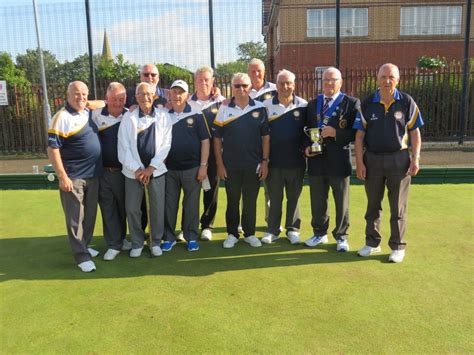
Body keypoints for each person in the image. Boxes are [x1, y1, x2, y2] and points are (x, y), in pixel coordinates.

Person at [354, 63, 423, 263]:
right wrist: (359, 162)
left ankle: (398, 246)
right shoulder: (367, 103)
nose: (387, 81)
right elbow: (359, 136)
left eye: (391, 77)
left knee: (397, 207)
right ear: (377, 78)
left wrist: (416, 158)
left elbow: (414, 132)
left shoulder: (407, 102)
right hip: (372, 159)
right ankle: (372, 243)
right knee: (373, 205)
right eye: (383, 77)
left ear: (398, 79)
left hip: (399, 160)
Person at [303, 67, 360, 252]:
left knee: (341, 201)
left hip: (339, 160)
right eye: (326, 79)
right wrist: (306, 147)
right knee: (318, 200)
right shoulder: (312, 104)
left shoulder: (351, 103)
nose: (329, 83)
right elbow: (304, 130)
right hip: (316, 160)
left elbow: (356, 133)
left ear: (340, 82)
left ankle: (341, 236)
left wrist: (337, 133)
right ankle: (319, 233)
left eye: (333, 80)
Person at [47, 81, 102, 272]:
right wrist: (62, 177)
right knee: (75, 218)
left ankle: (85, 245)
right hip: (74, 177)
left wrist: (90, 102)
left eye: (84, 94)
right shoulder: (61, 117)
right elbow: (53, 149)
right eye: (76, 94)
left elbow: (105, 102)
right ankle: (81, 257)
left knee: (89, 215)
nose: (81, 97)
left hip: (93, 175)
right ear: (67, 95)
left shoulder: (88, 112)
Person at [213, 73, 270, 249]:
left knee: (250, 201)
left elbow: (265, 137)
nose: (241, 89)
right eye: (237, 86)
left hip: (254, 165)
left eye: (244, 85)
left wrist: (265, 161)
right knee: (232, 200)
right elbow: (216, 139)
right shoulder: (224, 109)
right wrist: (220, 165)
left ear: (250, 87)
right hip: (230, 165)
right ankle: (232, 234)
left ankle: (250, 233)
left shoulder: (260, 108)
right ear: (232, 88)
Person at [118, 82, 172, 258]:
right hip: (132, 173)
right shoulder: (128, 118)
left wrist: (150, 168)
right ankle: (137, 242)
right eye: (142, 94)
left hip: (156, 172)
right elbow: (123, 147)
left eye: (149, 93)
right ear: (136, 97)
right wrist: (137, 169)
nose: (146, 97)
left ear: (154, 96)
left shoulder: (164, 117)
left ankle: (155, 242)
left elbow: (165, 146)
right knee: (133, 208)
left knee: (157, 208)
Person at [161, 80, 211, 252]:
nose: (177, 95)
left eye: (181, 92)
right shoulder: (163, 114)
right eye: (174, 92)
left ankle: (191, 237)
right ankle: (168, 237)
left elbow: (205, 140)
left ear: (187, 96)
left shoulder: (196, 113)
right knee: (169, 204)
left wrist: (203, 165)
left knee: (191, 204)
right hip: (169, 169)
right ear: (169, 94)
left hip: (192, 168)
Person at [260, 69, 307, 245]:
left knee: (293, 197)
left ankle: (293, 229)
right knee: (274, 197)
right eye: (281, 83)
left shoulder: (303, 105)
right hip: (273, 162)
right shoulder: (265, 106)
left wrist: (307, 147)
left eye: (288, 83)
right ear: (276, 85)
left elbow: (308, 133)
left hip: (296, 161)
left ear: (294, 85)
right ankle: (273, 230)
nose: (285, 86)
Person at [91, 82, 132, 261]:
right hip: (103, 172)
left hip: (125, 172)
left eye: (121, 99)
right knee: (108, 207)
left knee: (124, 208)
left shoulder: (130, 116)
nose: (117, 103)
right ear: (106, 99)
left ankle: (121, 239)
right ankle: (113, 244)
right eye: (113, 99)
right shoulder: (95, 115)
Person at [188, 66, 225, 241]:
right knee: (190, 190)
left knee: (211, 190)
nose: (203, 83)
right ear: (195, 82)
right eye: (200, 79)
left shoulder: (222, 102)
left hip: (213, 154)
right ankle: (187, 225)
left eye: (207, 80)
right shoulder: (186, 103)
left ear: (212, 82)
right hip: (192, 155)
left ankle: (207, 225)